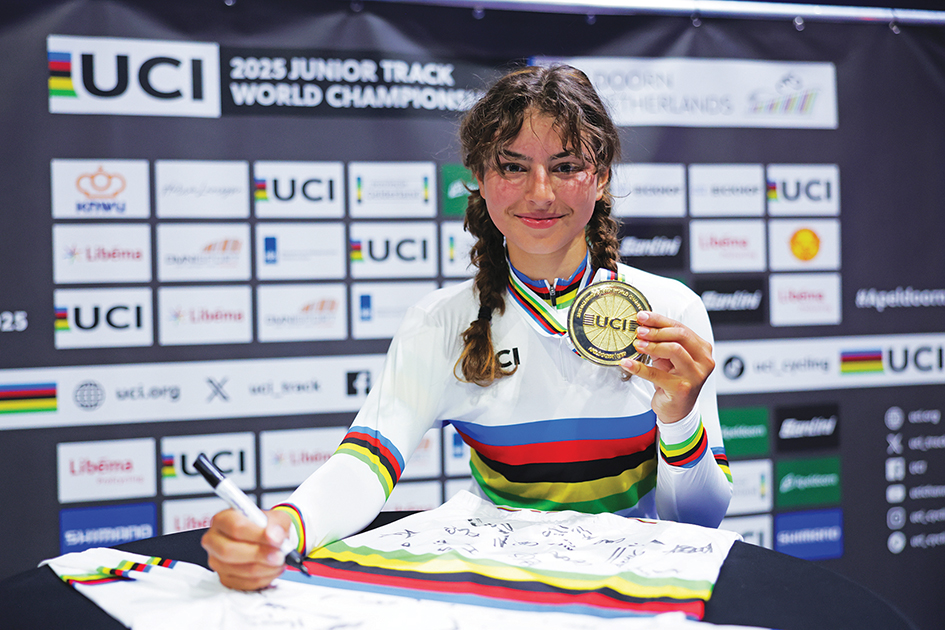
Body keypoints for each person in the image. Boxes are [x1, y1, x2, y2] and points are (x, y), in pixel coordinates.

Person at [202, 64, 732, 591]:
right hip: (499, 593)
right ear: (479, 175)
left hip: (630, 592)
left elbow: (699, 520)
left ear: (602, 176)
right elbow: (363, 464)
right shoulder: (440, 323)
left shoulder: (668, 311)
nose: (540, 193)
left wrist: (680, 420)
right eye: (513, 166)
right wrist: (283, 528)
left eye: (566, 165)